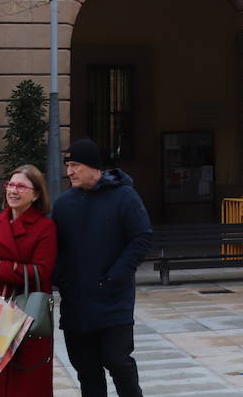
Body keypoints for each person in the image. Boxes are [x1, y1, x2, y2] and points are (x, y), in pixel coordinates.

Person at [52, 138, 153, 397]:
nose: (70, 171)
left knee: (118, 362)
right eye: (67, 165)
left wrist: (115, 277)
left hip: (113, 300)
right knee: (87, 371)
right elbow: (54, 247)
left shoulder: (124, 196)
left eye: (75, 165)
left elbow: (141, 238)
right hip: (76, 303)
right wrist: (60, 278)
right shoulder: (63, 204)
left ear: (94, 167)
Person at [0, 164, 57, 397]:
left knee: (25, 380)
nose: (13, 191)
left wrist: (2, 267)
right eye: (11, 185)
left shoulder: (45, 227)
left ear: (36, 194)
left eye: (21, 187)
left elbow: (43, 271)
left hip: (26, 312)